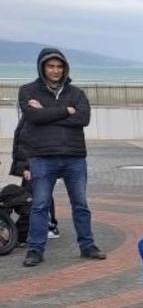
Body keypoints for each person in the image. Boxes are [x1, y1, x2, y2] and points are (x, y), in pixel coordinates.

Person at [18, 48, 104, 267]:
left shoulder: (77, 93)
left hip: (74, 158)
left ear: (65, 68)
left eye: (59, 66)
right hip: (42, 158)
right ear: (42, 67)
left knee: (81, 205)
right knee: (39, 205)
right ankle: (35, 250)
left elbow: (83, 119)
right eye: (50, 66)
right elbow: (32, 117)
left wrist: (46, 112)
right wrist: (67, 111)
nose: (55, 70)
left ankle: (87, 246)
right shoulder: (27, 91)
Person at [9, 113, 59, 243]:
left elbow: (27, 143)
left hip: (36, 165)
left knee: (34, 196)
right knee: (38, 194)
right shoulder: (29, 116)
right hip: (34, 164)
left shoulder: (35, 116)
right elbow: (22, 143)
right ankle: (46, 226)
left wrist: (26, 167)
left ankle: (44, 227)